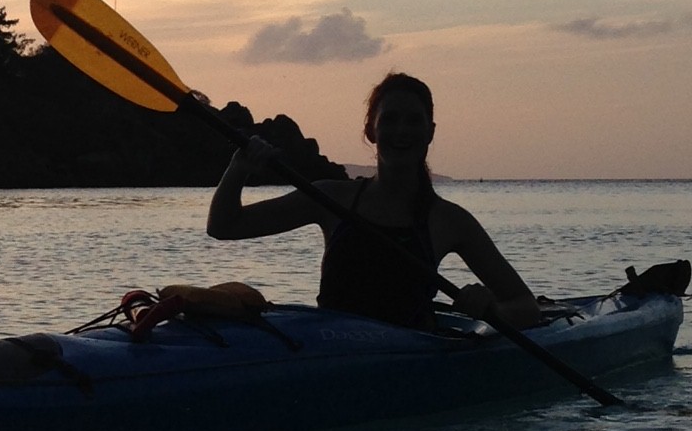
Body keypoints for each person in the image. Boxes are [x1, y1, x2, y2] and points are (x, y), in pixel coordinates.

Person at [207, 72, 541, 330]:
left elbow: (525, 305)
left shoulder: (449, 221)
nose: (402, 131)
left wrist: (491, 310)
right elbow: (224, 226)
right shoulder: (329, 198)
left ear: (431, 131)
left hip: (409, 356)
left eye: (414, 121)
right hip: (334, 348)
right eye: (390, 119)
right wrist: (238, 169)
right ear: (371, 130)